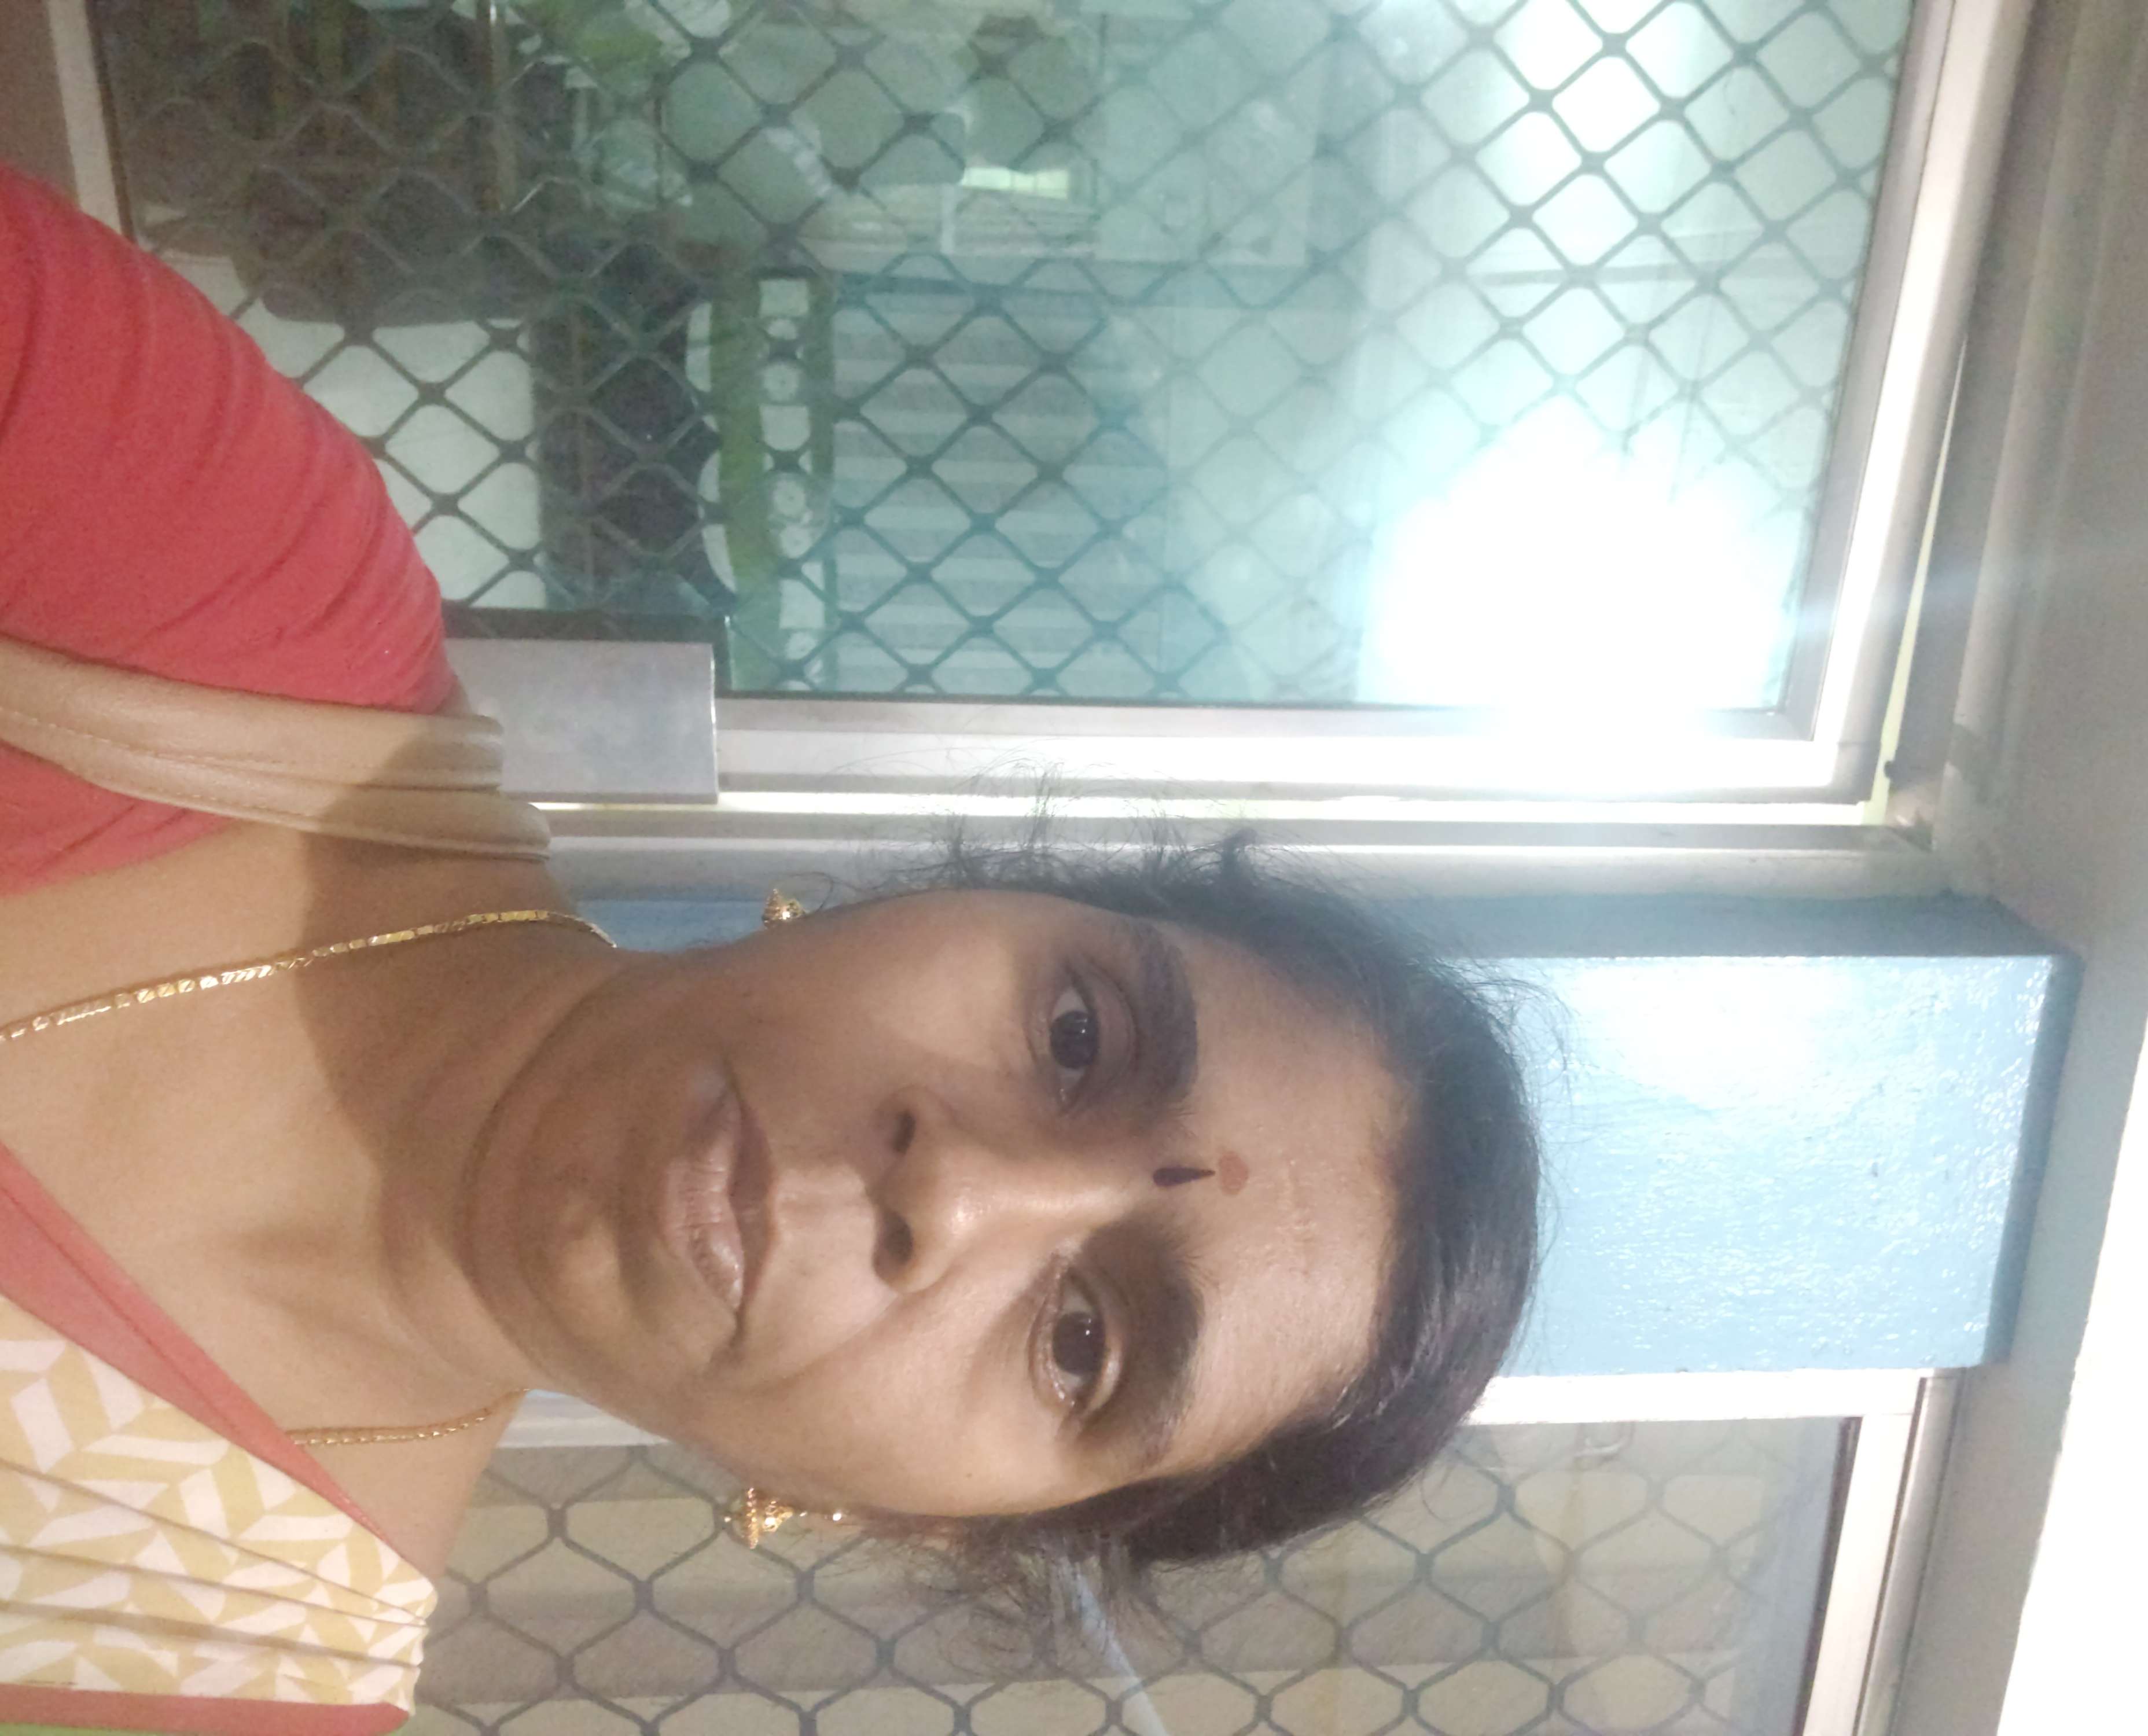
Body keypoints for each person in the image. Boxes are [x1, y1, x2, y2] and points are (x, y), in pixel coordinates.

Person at [0, 160, 1541, 1734]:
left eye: (1084, 1344)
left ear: (927, 1525)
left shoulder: (181, 1679)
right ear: (936, 895)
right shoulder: (204, 579)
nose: (956, 1193)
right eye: (1077, 1037)